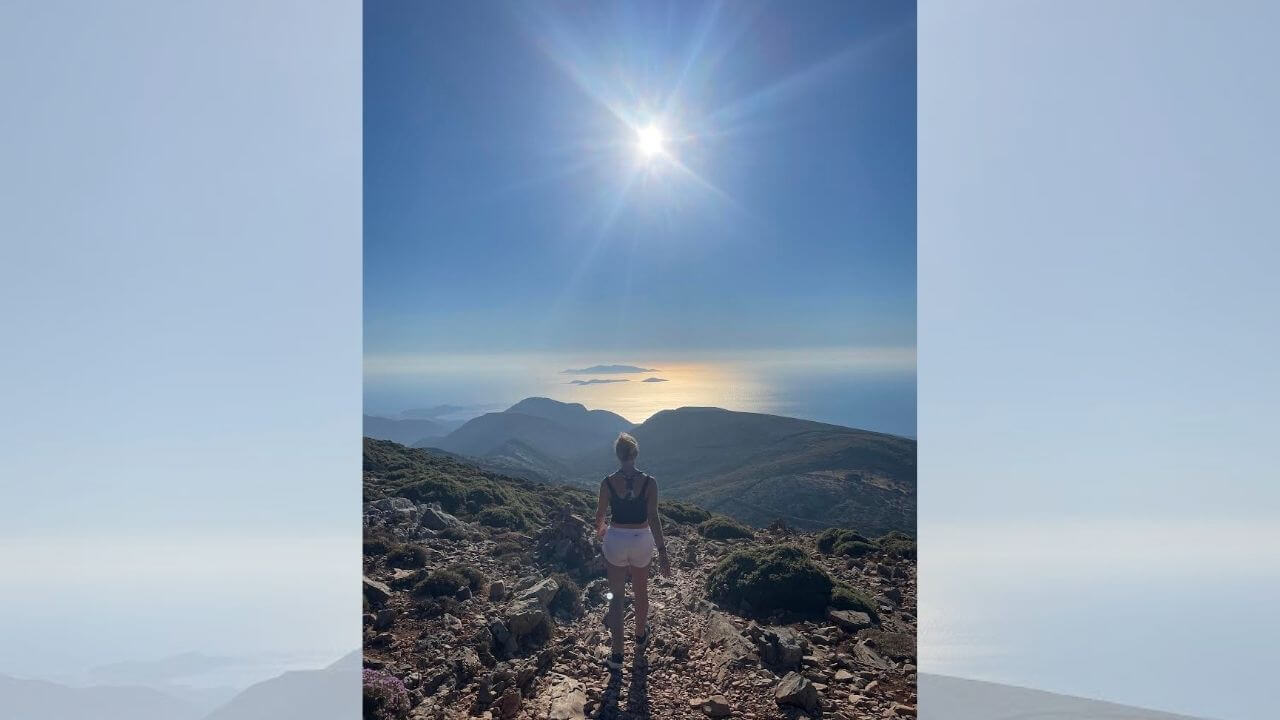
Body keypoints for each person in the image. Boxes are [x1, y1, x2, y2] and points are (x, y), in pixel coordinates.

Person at [594, 431, 671, 670]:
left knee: (616, 598)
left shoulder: (607, 483)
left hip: (616, 539)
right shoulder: (650, 482)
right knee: (641, 591)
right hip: (642, 539)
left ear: (618, 455)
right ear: (635, 454)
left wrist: (603, 532)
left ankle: (617, 655)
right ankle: (640, 635)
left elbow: (599, 518)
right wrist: (663, 552)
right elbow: (654, 518)